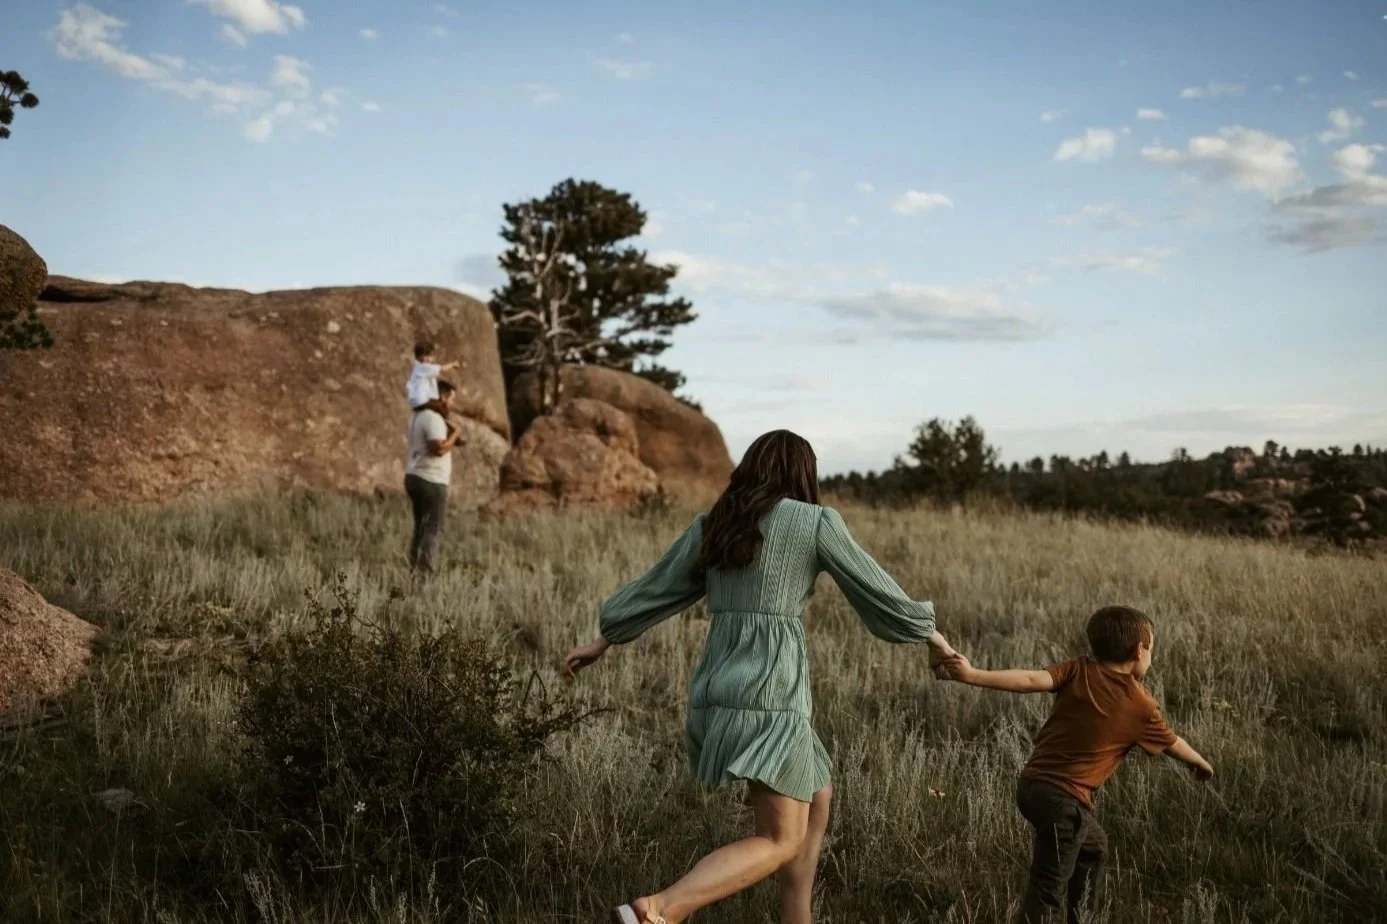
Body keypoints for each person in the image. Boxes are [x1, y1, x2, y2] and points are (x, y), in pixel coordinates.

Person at [561, 429, 958, 924]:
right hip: (771, 694)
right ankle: (657, 911)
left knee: (817, 794)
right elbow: (874, 585)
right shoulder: (815, 522)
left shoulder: (718, 523)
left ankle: (797, 917)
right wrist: (932, 636)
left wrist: (605, 637)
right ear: (803, 474)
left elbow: (658, 586)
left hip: (718, 688)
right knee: (779, 838)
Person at [937, 605, 1215, 924]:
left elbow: (1030, 679)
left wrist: (972, 674)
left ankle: (1082, 917)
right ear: (1140, 650)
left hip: (1033, 787)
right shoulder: (1141, 705)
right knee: (1046, 890)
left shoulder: (1079, 669)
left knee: (1094, 848)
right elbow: (1173, 744)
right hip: (1066, 803)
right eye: (1152, 647)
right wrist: (1200, 763)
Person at [404, 379, 464, 576]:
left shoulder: (418, 415)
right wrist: (455, 434)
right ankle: (424, 579)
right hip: (431, 480)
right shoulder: (433, 418)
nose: (452, 404)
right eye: (450, 398)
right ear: (441, 397)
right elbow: (437, 448)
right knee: (432, 530)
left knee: (421, 529)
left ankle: (414, 572)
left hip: (415, 475)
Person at [405, 339, 461, 410]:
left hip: (416, 401)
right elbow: (442, 369)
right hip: (422, 400)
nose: (429, 359)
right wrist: (452, 364)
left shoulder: (417, 368)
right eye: (426, 356)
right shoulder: (424, 367)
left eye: (430, 356)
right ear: (419, 357)